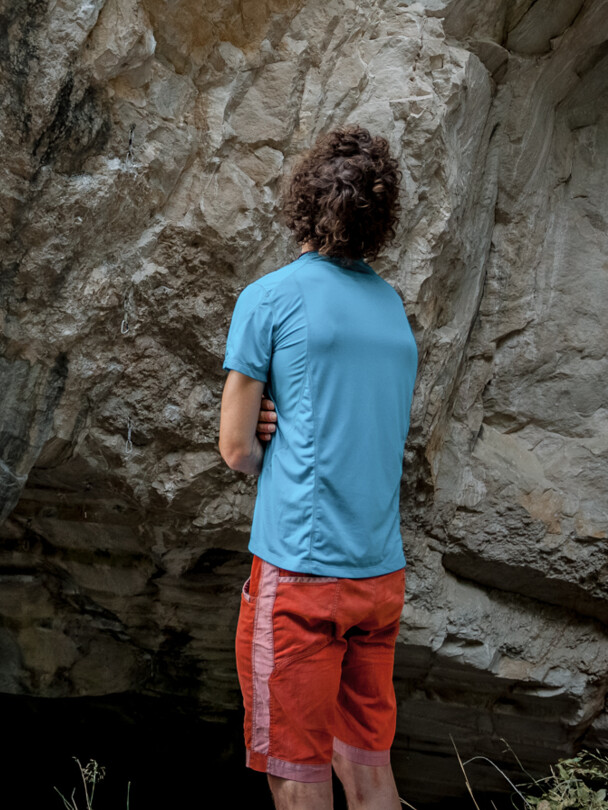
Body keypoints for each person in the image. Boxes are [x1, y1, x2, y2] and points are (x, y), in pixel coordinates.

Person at [217, 124, 417, 810]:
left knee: (296, 774)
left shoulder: (269, 298)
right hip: (379, 576)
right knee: (369, 770)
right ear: (379, 216)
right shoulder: (391, 307)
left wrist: (265, 435)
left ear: (303, 202)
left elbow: (236, 449)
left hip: (302, 575)